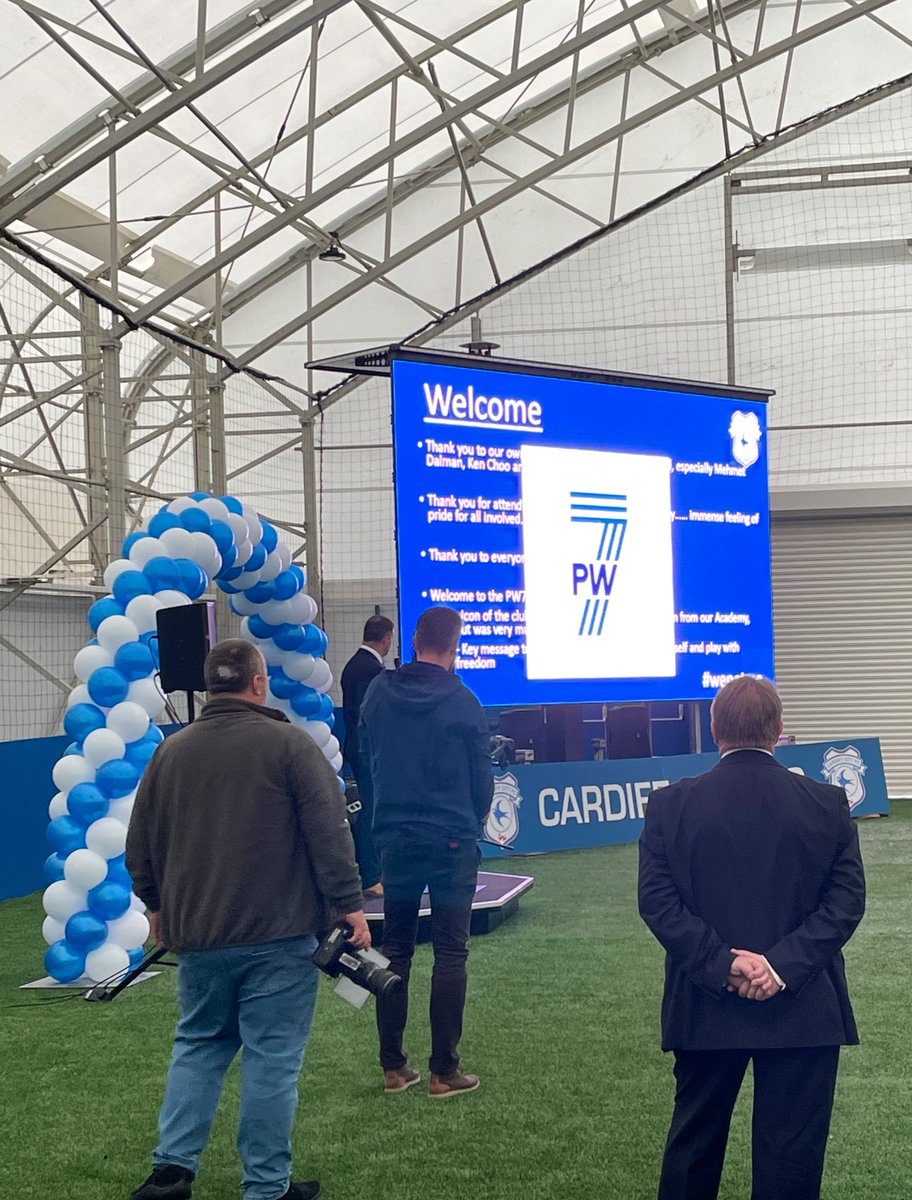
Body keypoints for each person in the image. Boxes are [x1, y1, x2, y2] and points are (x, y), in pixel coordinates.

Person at [126, 639, 369, 1200]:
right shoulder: (290, 744)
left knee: (199, 1044)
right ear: (258, 683)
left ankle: (171, 1172)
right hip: (279, 934)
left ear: (211, 686)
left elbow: (138, 844)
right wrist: (349, 904)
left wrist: (156, 905)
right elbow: (330, 835)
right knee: (272, 1059)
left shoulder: (170, 751)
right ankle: (265, 1186)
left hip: (199, 936)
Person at [638, 675, 866, 1200]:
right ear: (779, 731)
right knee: (791, 1164)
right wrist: (779, 966)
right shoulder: (827, 804)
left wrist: (722, 964)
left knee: (692, 1154)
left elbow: (657, 903)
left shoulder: (670, 805)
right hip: (803, 1009)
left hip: (704, 1004)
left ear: (714, 729)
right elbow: (846, 903)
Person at [359, 605, 493, 1099]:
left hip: (393, 836)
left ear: (413, 641)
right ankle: (444, 1071)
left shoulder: (378, 691)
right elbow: (483, 781)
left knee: (394, 950)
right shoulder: (464, 701)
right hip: (452, 840)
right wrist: (473, 817)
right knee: (450, 953)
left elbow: (365, 753)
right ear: (454, 648)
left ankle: (394, 1067)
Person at [340, 615, 394, 897]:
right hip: (367, 751)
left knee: (370, 808)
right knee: (370, 810)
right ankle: (371, 877)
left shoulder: (355, 665)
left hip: (361, 748)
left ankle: (373, 872)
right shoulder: (370, 669)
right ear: (386, 639)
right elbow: (371, 716)